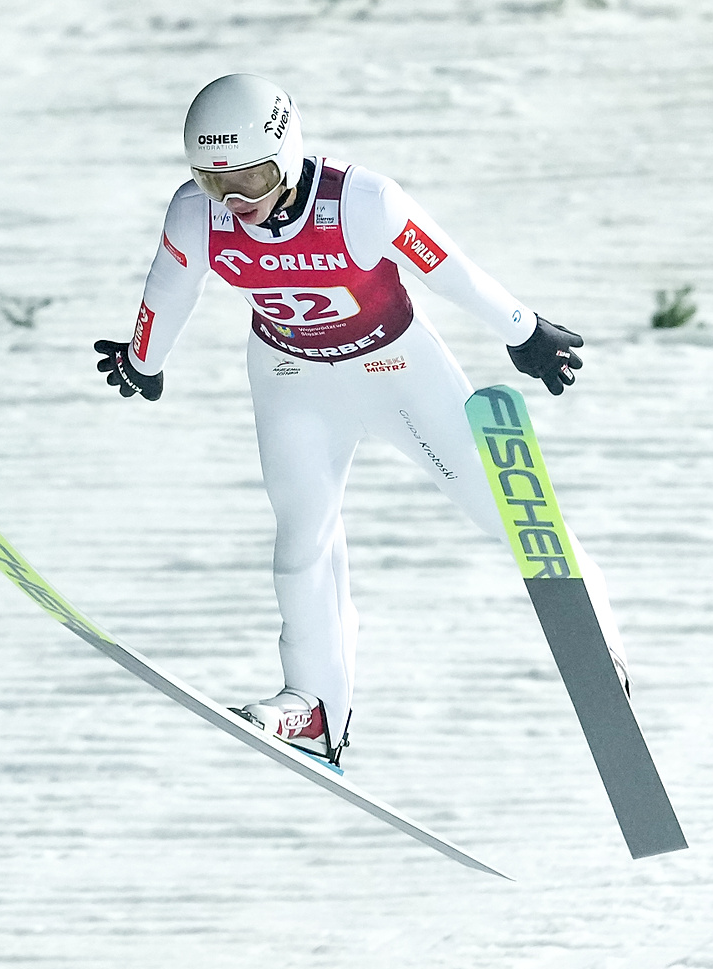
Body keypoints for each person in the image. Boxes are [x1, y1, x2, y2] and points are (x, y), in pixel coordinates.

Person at [93, 73, 626, 768]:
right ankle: (314, 708)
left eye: (250, 180)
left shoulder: (362, 202)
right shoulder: (198, 214)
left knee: (503, 509)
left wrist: (522, 330)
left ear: (285, 155)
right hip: (292, 380)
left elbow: (449, 269)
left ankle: (598, 644)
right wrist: (144, 358)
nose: (234, 203)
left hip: (397, 372)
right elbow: (168, 288)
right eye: (213, 181)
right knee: (301, 542)